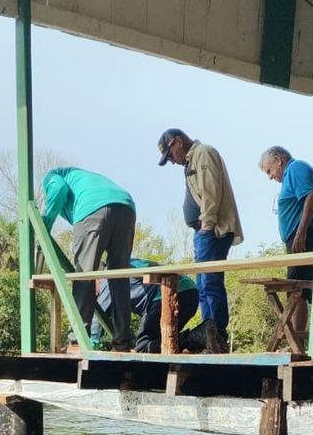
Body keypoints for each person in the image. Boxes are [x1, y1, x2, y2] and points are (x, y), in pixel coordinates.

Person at [157, 129, 243, 348]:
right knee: (203, 284)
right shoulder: (190, 160)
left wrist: (207, 225)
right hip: (205, 230)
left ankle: (216, 333)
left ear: (176, 142)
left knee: (210, 282)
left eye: (170, 155)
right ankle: (209, 333)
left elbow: (211, 192)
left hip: (213, 229)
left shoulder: (203, 153)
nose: (172, 161)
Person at [41, 167, 136, 350]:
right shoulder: (84, 178)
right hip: (126, 207)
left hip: (92, 210)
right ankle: (122, 341)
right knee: (119, 277)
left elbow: (58, 190)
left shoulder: (52, 177)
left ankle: (77, 339)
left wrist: (46, 223)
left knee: (84, 274)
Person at [259, 145, 313, 335]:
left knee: (296, 290)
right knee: (297, 290)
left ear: (279, 160)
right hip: (296, 238)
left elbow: (312, 196)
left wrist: (301, 233)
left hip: (303, 237)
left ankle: (296, 342)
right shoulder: (290, 175)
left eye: (269, 171)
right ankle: (296, 341)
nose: (270, 176)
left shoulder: (296, 168)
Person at [90, 258, 200, 353]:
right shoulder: (127, 262)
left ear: (96, 278)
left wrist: (91, 345)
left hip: (170, 293)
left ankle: (196, 336)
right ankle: (202, 333)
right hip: (191, 292)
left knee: (143, 346)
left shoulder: (107, 274)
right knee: (159, 341)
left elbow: (99, 317)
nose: (94, 295)